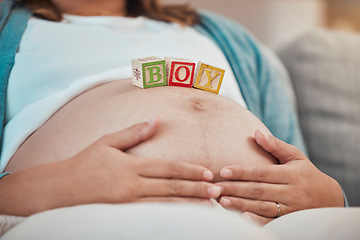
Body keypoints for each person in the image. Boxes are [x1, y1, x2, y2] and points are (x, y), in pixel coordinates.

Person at [0, 0, 345, 226]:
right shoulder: (9, 28)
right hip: (85, 219)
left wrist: (331, 197)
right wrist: (47, 188)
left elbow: (303, 171)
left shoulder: (233, 41)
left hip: (256, 225)